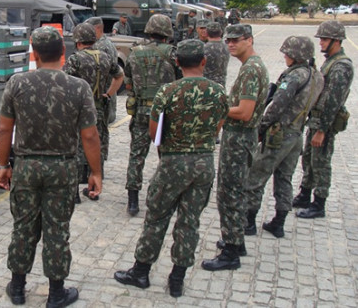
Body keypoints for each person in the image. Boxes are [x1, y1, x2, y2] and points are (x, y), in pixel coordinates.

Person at [0, 26, 102, 308]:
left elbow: (5, 130)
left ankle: (17, 287)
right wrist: (96, 172)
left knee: (23, 227)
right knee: (57, 229)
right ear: (63, 53)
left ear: (34, 53)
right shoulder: (78, 87)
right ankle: (56, 293)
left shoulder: (16, 83)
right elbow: (90, 135)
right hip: (62, 168)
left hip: (27, 167)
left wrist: (3, 164)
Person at [114, 39, 228, 298]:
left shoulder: (167, 92)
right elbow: (218, 125)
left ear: (177, 63)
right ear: (203, 62)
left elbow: (155, 133)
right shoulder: (219, 92)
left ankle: (141, 272)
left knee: (156, 217)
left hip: (173, 162)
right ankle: (177, 279)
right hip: (204, 163)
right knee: (190, 222)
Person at [201, 24, 269, 271]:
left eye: (236, 40)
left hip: (239, 138)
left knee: (229, 193)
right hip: (242, 137)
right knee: (235, 190)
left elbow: (244, 111)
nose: (230, 44)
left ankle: (230, 252)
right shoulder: (252, 66)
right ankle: (236, 241)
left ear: (249, 40)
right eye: (228, 40)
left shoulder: (251, 70)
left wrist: (214, 110)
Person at [244, 36, 323, 239]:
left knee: (256, 175)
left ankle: (248, 221)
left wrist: (261, 127)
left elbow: (276, 106)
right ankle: (279, 222)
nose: (285, 56)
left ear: (295, 55)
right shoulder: (316, 76)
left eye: (287, 53)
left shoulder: (294, 77)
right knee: (284, 178)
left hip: (279, 134)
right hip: (296, 134)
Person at [293, 21, 354, 219]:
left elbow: (332, 102)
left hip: (324, 123)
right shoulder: (330, 62)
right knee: (309, 159)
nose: (321, 43)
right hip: (316, 120)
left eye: (325, 39)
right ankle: (305, 194)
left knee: (321, 162)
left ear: (336, 41)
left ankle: (319, 203)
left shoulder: (341, 66)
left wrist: (322, 130)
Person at [123, 14, 181, 216]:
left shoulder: (134, 53)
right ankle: (165, 195)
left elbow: (128, 82)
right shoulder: (173, 54)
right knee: (166, 155)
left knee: (136, 155)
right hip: (165, 112)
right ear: (166, 33)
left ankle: (132, 201)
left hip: (141, 110)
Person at [63, 23, 123, 201]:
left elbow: (65, 83)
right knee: (97, 143)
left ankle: (73, 191)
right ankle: (94, 186)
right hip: (99, 106)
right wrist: (108, 94)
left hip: (79, 108)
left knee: (75, 145)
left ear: (78, 41)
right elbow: (119, 76)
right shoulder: (105, 57)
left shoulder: (75, 59)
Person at [88, 16, 120, 126]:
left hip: (103, 98)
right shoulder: (107, 43)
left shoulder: (100, 46)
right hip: (107, 98)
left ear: (97, 28)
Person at [203, 21, 230, 88]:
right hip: (221, 83)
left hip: (207, 85)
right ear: (221, 32)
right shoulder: (227, 47)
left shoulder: (204, 48)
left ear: (206, 33)